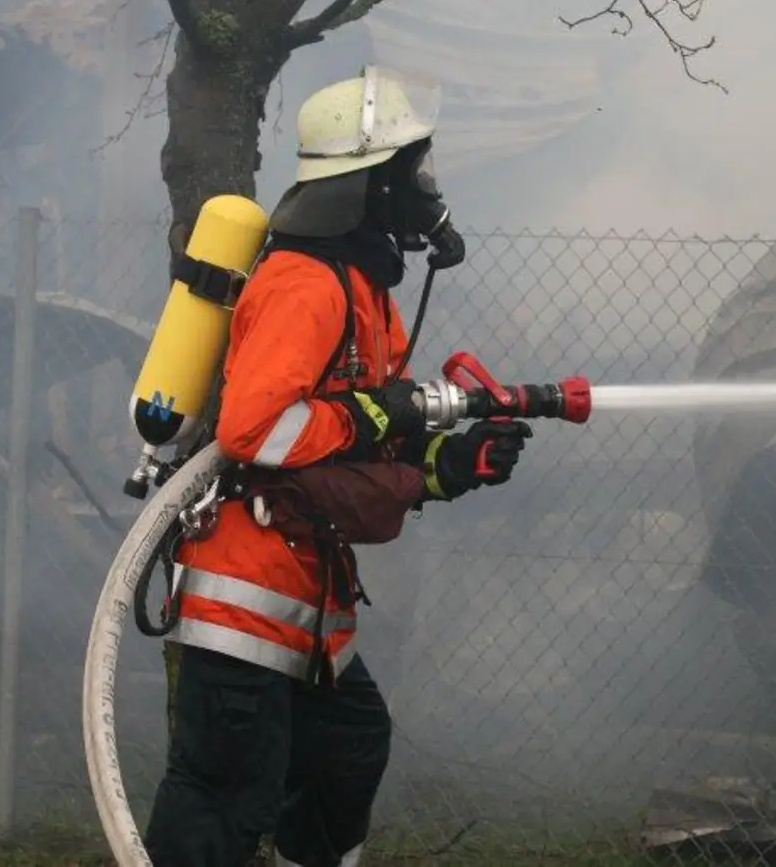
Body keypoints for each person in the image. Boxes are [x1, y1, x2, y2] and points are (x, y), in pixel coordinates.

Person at [142, 66, 535, 867]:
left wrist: (443, 464)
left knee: (348, 749)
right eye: (407, 170)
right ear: (366, 183)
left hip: (304, 598)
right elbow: (258, 430)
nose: (421, 188)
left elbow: (351, 438)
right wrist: (373, 413)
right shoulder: (304, 284)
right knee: (224, 796)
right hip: (245, 595)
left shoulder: (364, 291)